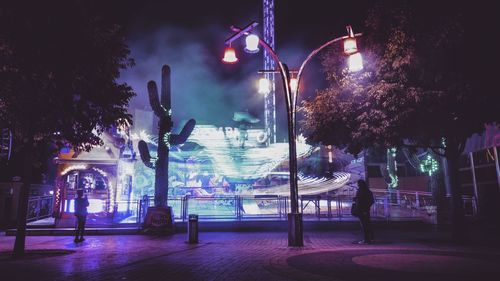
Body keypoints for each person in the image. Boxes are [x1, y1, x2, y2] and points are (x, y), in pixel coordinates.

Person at [353, 179, 374, 244]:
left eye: (358, 184)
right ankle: (369, 238)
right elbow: (371, 201)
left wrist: (364, 208)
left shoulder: (361, 191)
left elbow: (360, 200)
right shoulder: (368, 191)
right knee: (366, 224)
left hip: (362, 210)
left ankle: (367, 239)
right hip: (365, 210)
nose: (357, 185)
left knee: (364, 225)